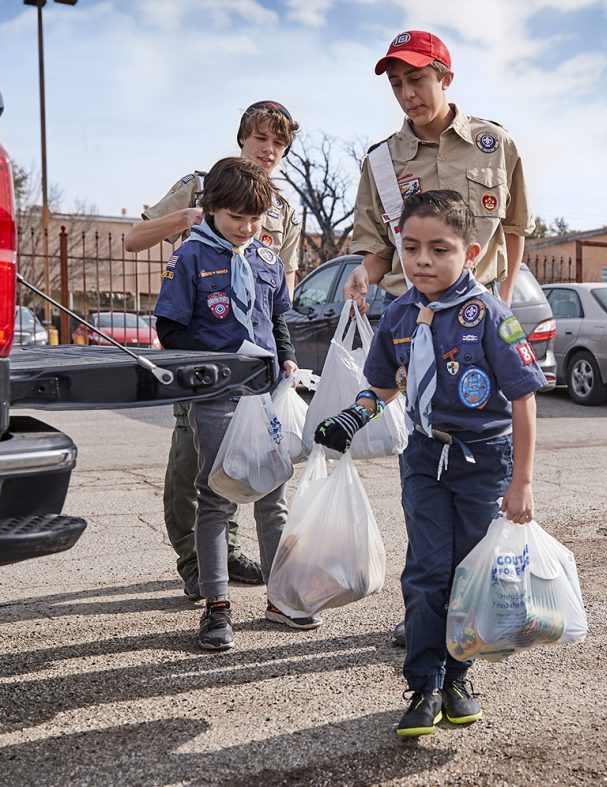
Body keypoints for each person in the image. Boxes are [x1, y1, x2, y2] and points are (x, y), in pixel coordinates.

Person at [314, 190, 546, 734]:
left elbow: (524, 399)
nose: (422, 260)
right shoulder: (397, 313)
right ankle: (424, 686)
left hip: (483, 460)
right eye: (411, 247)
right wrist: (353, 416)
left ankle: (459, 677)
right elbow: (385, 384)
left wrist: (522, 482)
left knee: (468, 573)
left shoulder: (490, 315)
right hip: (423, 456)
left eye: (439, 249)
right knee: (424, 572)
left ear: (470, 252)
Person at [124, 101, 302, 603]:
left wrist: (277, 349)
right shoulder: (203, 187)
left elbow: (279, 288)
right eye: (261, 138)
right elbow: (135, 239)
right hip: (203, 351)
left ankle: (230, 553)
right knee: (195, 460)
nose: (269, 150)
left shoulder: (280, 209)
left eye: (280, 144)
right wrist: (186, 217)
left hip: (255, 361)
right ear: (242, 137)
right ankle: (196, 561)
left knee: (260, 461)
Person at [153, 157, 318, 651]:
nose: (246, 229)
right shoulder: (190, 258)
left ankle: (281, 595)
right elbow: (170, 328)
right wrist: (212, 363)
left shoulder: (266, 260)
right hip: (217, 395)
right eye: (235, 219)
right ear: (210, 210)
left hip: (265, 394)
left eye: (255, 219)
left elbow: (278, 320)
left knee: (273, 494)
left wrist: (286, 360)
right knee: (217, 496)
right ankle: (217, 606)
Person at [343, 30, 532, 310]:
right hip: (407, 310)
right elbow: (379, 253)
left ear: (446, 79)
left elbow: (515, 228)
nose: (407, 94)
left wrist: (504, 298)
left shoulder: (495, 145)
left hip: (481, 306)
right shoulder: (380, 161)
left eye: (416, 79)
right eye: (396, 84)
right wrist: (362, 273)